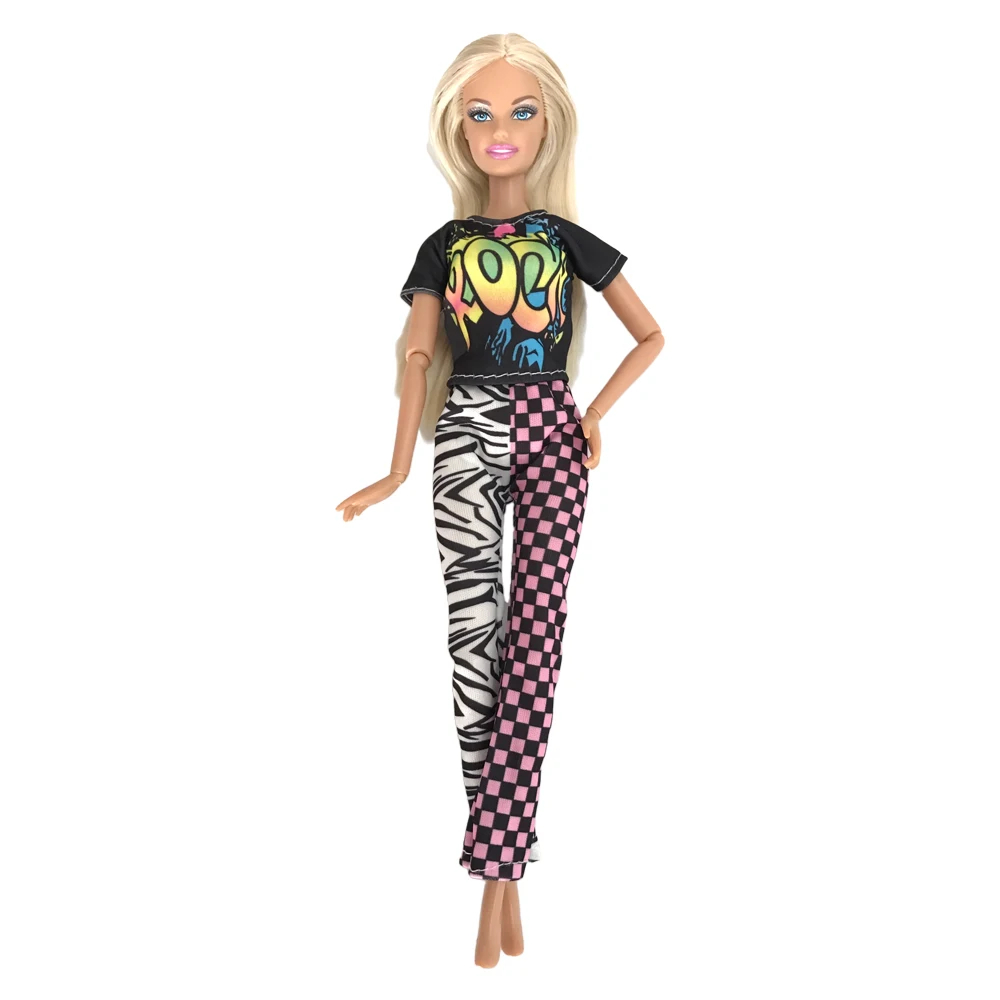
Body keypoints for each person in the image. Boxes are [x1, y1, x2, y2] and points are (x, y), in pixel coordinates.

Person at [336, 33, 663, 968]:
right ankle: (504, 875)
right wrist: (397, 467)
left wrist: (591, 413)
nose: (501, 130)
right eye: (480, 113)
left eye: (520, 110)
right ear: (457, 127)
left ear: (550, 121)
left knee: (536, 641)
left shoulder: (565, 240)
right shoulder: (445, 247)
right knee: (474, 643)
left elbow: (651, 335)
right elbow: (417, 354)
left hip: (553, 429)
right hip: (467, 430)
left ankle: (494, 881)